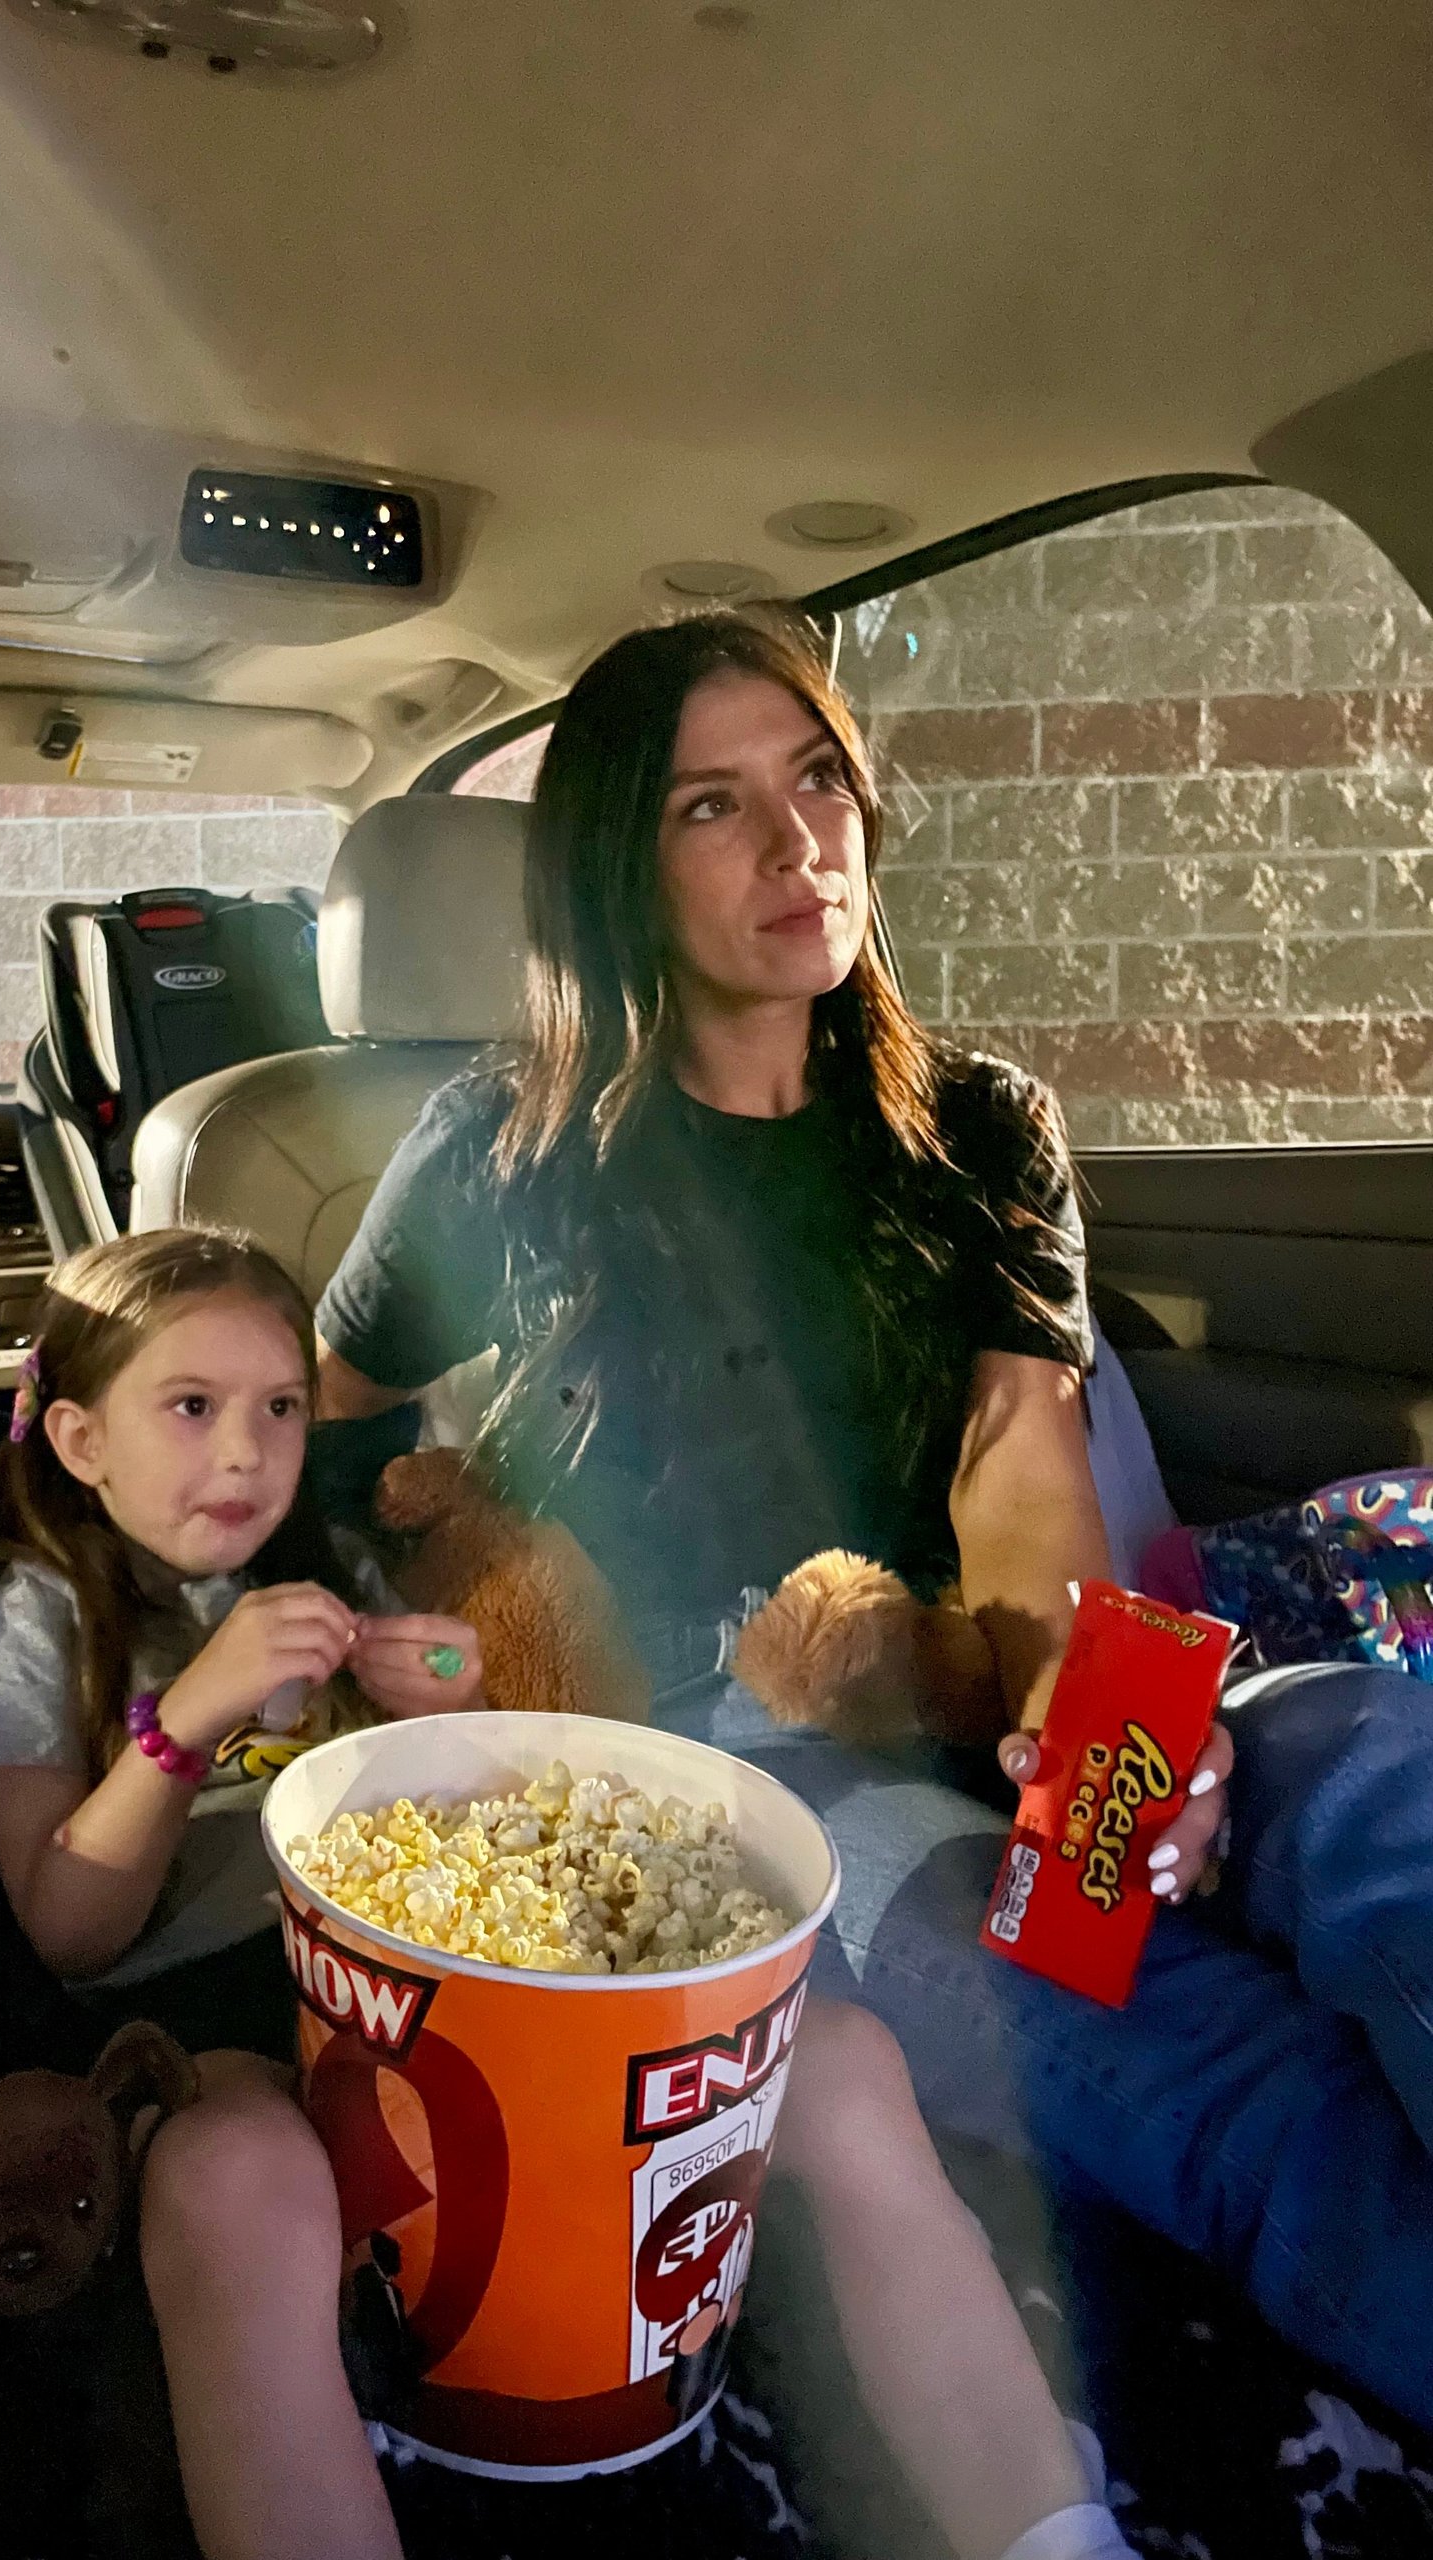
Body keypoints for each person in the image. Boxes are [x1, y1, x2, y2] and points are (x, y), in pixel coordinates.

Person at [314, 609, 1433, 2431]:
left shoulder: (982, 1123)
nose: (797, 840)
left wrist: (1123, 1734)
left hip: (1002, 1666)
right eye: (712, 807)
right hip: (752, 1759)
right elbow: (332, 1425)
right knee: (1213, 2076)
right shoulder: (496, 1151)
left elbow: (1022, 1466)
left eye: (818, 776)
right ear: (617, 862)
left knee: (1394, 1775)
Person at [0, 1227, 1140, 2560]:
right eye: (191, 1407)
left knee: (845, 2058)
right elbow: (67, 1928)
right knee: (232, 2177)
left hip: (482, 1995)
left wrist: (447, 1689)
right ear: (79, 1436)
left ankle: (1055, 2527)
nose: (246, 1450)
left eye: (281, 1407)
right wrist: (186, 1722)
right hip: (229, 2027)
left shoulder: (320, 1571)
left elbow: (487, 1761)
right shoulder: (38, 1622)